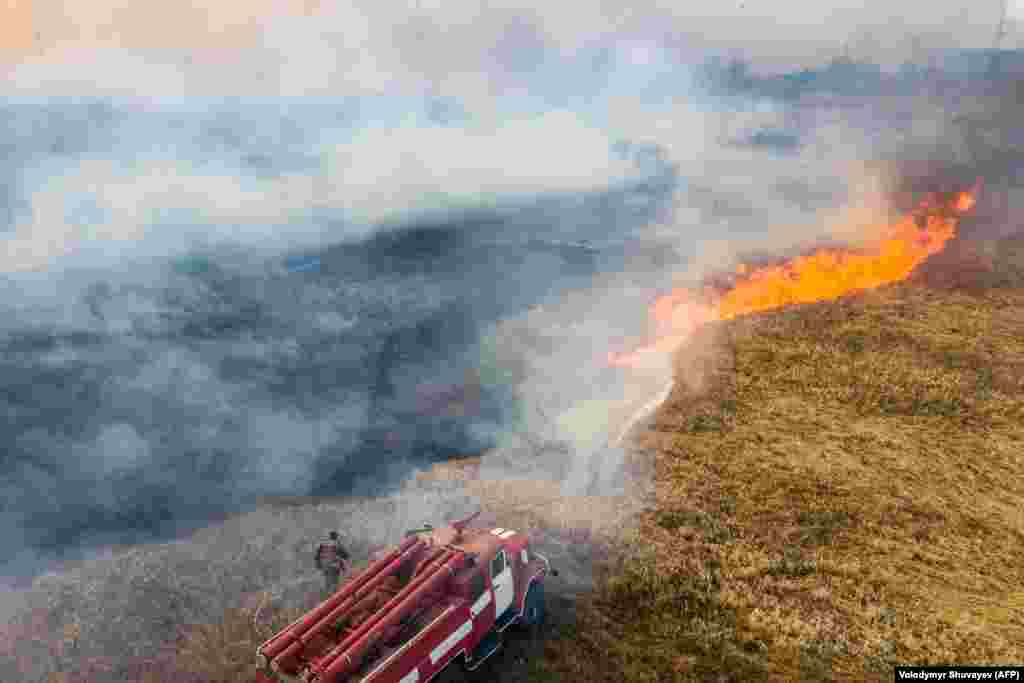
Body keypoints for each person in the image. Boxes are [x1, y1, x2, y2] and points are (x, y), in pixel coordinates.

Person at [315, 531, 351, 597]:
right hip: (334, 567)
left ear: (329, 537)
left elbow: (317, 556)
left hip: (325, 566)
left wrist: (319, 565)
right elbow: (346, 555)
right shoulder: (337, 544)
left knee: (327, 583)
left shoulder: (323, 544)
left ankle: (327, 597)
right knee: (334, 583)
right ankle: (335, 597)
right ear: (336, 537)